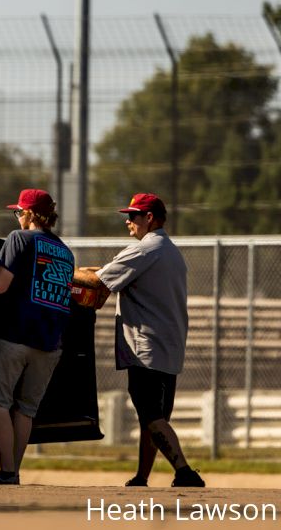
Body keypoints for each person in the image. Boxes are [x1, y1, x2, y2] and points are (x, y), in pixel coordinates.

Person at [73, 193, 205, 488]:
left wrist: (59, 270)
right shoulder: (168, 249)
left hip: (146, 347)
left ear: (149, 218)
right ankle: (142, 476)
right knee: (154, 418)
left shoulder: (146, 249)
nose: (128, 221)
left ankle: (185, 471)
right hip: (168, 346)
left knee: (151, 415)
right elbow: (105, 272)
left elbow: (96, 282)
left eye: (133, 215)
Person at [0, 188, 75, 485]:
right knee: (26, 410)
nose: (17, 217)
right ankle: (13, 471)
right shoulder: (65, 251)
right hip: (50, 344)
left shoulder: (19, 239)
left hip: (16, 337)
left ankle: (6, 472)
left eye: (18, 212)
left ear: (29, 214)